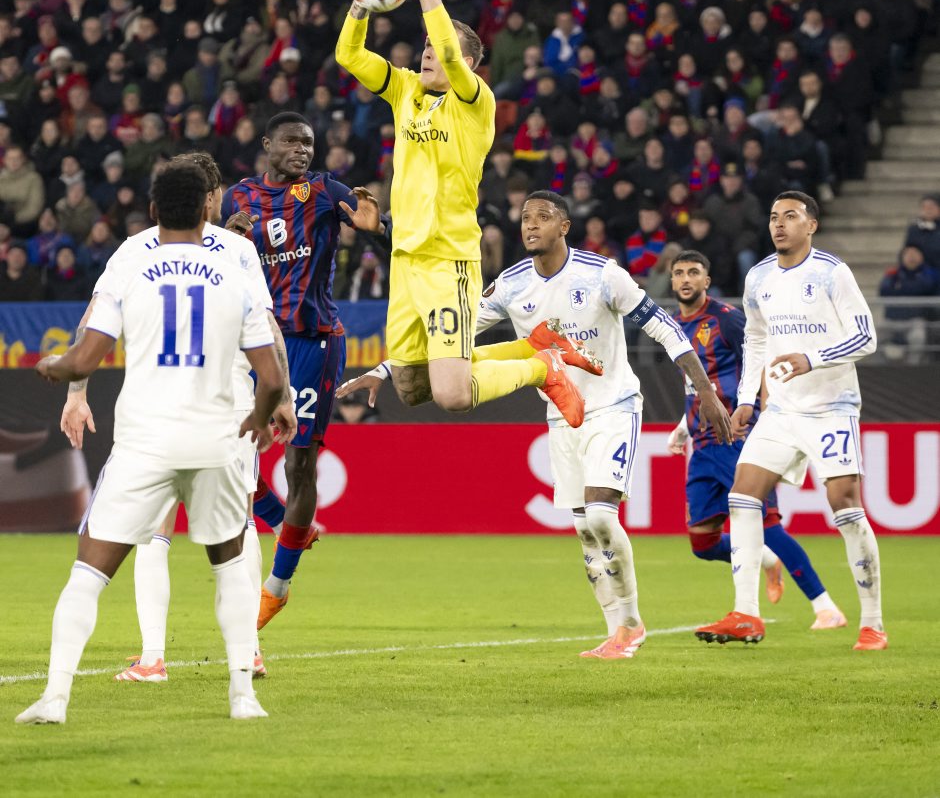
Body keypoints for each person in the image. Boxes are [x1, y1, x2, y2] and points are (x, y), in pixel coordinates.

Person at [337, 191, 733, 659]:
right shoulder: (511, 284)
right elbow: (454, 340)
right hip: (561, 416)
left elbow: (664, 326)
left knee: (601, 516)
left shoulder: (602, 274)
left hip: (612, 405)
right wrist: (385, 369)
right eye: (526, 217)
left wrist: (705, 391)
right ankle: (617, 632)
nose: (530, 225)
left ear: (564, 226)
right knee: (585, 530)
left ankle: (630, 624)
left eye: (543, 217)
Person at [17, 160, 288, 725]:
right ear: (208, 208)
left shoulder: (130, 261)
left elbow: (84, 358)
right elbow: (271, 374)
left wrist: (55, 367)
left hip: (146, 442)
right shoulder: (235, 270)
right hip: (217, 437)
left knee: (89, 572)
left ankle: (55, 697)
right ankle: (243, 696)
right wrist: (262, 416)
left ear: (154, 209)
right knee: (231, 561)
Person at [335, 0, 596, 429]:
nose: (430, 53)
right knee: (412, 388)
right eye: (427, 46)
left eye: (442, 48)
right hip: (405, 257)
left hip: (447, 259)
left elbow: (452, 56)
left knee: (453, 395)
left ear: (470, 64)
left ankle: (542, 367)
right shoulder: (404, 89)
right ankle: (536, 344)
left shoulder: (476, 102)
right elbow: (348, 54)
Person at [696, 191, 885, 651]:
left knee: (845, 506)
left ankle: (872, 624)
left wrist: (811, 358)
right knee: (743, 495)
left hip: (831, 406)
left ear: (811, 225)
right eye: (774, 216)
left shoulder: (831, 272)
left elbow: (866, 337)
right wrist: (746, 400)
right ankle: (746, 613)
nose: (779, 224)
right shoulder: (759, 276)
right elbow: (756, 341)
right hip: (780, 410)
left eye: (791, 216)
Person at [221, 111, 388, 628]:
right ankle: (282, 522)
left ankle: (277, 586)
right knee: (226, 452)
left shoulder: (323, 190)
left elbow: (382, 236)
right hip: (254, 343)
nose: (302, 150)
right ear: (267, 144)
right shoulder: (238, 198)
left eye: (308, 143)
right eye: (292, 142)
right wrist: (225, 238)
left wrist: (377, 228)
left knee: (298, 465)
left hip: (313, 341)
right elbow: (216, 262)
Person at [668, 250, 847, 629]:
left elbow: (760, 360)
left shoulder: (726, 319)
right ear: (671, 281)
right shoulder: (674, 326)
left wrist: (758, 414)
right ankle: (767, 559)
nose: (686, 279)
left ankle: (826, 607)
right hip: (702, 444)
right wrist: (684, 425)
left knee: (767, 524)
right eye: (679, 273)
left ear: (706, 281)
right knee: (702, 542)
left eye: (694, 272)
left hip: (737, 438)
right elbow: (696, 384)